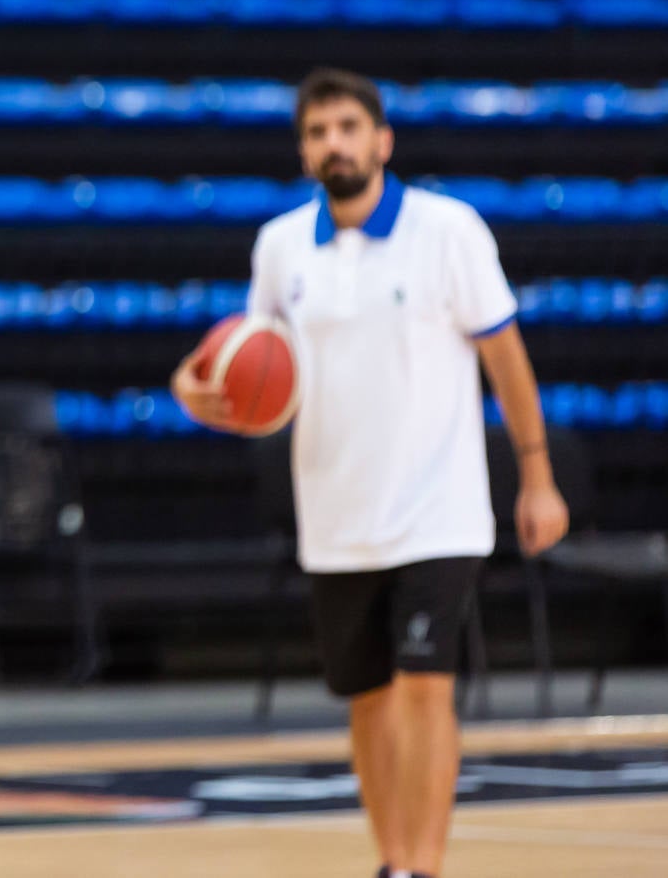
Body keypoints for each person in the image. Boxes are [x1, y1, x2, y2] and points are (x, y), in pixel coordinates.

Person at [171, 68, 568, 878]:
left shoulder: (448, 229)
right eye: (317, 133)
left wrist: (537, 474)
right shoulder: (281, 246)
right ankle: (390, 861)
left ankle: (423, 867)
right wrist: (191, 385)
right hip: (336, 511)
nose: (334, 144)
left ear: (382, 141)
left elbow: (508, 359)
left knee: (426, 686)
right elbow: (243, 359)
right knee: (368, 699)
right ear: (303, 150)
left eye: (348, 127)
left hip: (438, 509)